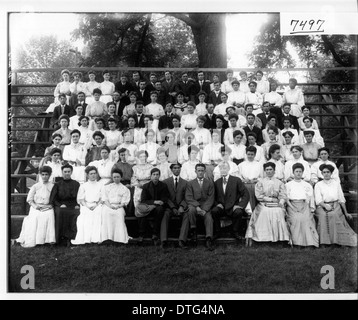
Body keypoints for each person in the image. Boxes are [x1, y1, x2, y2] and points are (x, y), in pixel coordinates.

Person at [245, 162, 290, 245]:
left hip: (277, 204)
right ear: (264, 171)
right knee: (265, 212)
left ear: (274, 170)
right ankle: (264, 238)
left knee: (278, 212)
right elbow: (259, 196)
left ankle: (279, 238)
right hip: (263, 204)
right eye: (267, 170)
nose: (269, 171)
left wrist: (281, 202)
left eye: (270, 169)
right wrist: (270, 200)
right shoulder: (260, 182)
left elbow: (283, 195)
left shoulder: (279, 182)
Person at [314, 164, 357, 247]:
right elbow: (318, 200)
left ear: (331, 173)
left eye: (328, 172)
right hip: (322, 206)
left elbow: (341, 199)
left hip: (335, 205)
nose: (326, 174)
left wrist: (346, 212)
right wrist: (325, 205)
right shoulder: (318, 185)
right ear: (322, 174)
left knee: (333, 215)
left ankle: (335, 241)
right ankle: (324, 242)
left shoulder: (336, 184)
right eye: (324, 172)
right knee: (323, 215)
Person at [16, 166, 56, 248]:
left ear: (50, 175)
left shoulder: (53, 186)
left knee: (49, 215)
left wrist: (49, 206)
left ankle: (47, 240)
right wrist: (36, 207)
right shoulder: (35, 186)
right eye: (43, 174)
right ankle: (36, 240)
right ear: (40, 175)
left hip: (48, 207)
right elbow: (30, 200)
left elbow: (55, 199)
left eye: (46, 175)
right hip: (36, 207)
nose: (45, 176)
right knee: (36, 216)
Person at [212, 161, 250, 239]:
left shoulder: (236, 180)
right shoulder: (217, 182)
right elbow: (213, 196)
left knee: (239, 212)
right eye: (221, 168)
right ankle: (217, 232)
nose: (223, 170)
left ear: (229, 169)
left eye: (225, 168)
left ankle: (235, 232)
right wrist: (216, 204)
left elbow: (246, 194)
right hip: (222, 207)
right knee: (214, 211)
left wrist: (240, 205)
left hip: (233, 207)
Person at [180, 164, 215, 250]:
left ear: (205, 171)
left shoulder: (210, 183)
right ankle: (193, 230)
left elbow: (211, 198)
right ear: (195, 171)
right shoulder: (190, 183)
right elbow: (188, 197)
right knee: (191, 210)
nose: (200, 172)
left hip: (205, 207)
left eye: (202, 170)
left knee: (209, 218)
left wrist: (204, 209)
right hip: (194, 205)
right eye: (198, 170)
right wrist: (197, 206)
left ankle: (208, 239)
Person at [286, 163, 319, 247]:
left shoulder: (307, 185)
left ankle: (309, 242)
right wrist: (292, 207)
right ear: (293, 173)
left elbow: (308, 198)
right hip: (292, 205)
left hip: (304, 205)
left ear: (303, 172)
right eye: (296, 171)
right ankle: (297, 242)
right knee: (296, 219)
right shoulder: (288, 185)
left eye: (300, 171)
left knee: (306, 219)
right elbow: (286, 199)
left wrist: (305, 207)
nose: (298, 173)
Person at [136, 168, 169, 245]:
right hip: (148, 206)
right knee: (141, 210)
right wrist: (154, 202)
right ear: (150, 176)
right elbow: (143, 200)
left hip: (158, 208)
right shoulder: (146, 186)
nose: (155, 176)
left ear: (159, 176)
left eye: (157, 175)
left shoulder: (163, 186)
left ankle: (155, 233)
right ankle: (141, 234)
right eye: (153, 175)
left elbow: (165, 199)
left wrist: (157, 204)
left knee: (160, 209)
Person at [50, 163, 80, 246]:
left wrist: (77, 204)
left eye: (68, 171)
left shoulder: (76, 184)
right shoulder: (57, 184)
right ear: (62, 172)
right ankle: (60, 239)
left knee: (76, 213)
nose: (67, 173)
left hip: (73, 204)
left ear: (71, 172)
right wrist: (59, 205)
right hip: (61, 204)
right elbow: (54, 198)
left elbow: (79, 196)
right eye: (65, 171)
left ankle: (71, 238)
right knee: (60, 212)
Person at [71, 166, 102, 245]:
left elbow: (102, 198)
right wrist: (87, 206)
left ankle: (95, 238)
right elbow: (81, 199)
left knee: (98, 213)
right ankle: (86, 238)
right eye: (91, 174)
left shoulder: (100, 185)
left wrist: (96, 205)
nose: (93, 175)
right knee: (85, 216)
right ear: (87, 175)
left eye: (94, 173)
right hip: (86, 205)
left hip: (97, 204)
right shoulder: (83, 186)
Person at [161, 163, 188, 249]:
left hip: (181, 207)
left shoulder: (185, 183)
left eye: (178, 168)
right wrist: (172, 207)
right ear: (171, 170)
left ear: (180, 169)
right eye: (175, 168)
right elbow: (165, 197)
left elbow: (187, 197)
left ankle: (182, 240)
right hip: (170, 207)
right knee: (165, 215)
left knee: (186, 216)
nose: (177, 170)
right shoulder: (165, 182)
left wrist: (181, 206)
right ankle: (163, 240)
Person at [101, 168, 131, 244]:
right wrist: (110, 206)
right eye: (114, 177)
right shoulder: (107, 187)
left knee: (119, 214)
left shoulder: (124, 189)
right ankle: (107, 237)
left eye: (118, 177)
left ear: (121, 177)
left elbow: (124, 202)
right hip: (108, 206)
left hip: (119, 206)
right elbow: (105, 199)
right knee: (106, 213)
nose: (116, 178)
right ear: (112, 177)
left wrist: (118, 206)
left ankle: (119, 238)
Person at [238, 146, 263, 212]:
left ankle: (255, 210)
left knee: (254, 189)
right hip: (245, 184)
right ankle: (248, 211)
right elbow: (239, 176)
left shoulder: (259, 165)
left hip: (256, 184)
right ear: (246, 154)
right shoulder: (241, 165)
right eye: (248, 154)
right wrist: (243, 180)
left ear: (255, 155)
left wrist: (256, 180)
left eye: (252, 154)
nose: (250, 156)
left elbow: (262, 177)